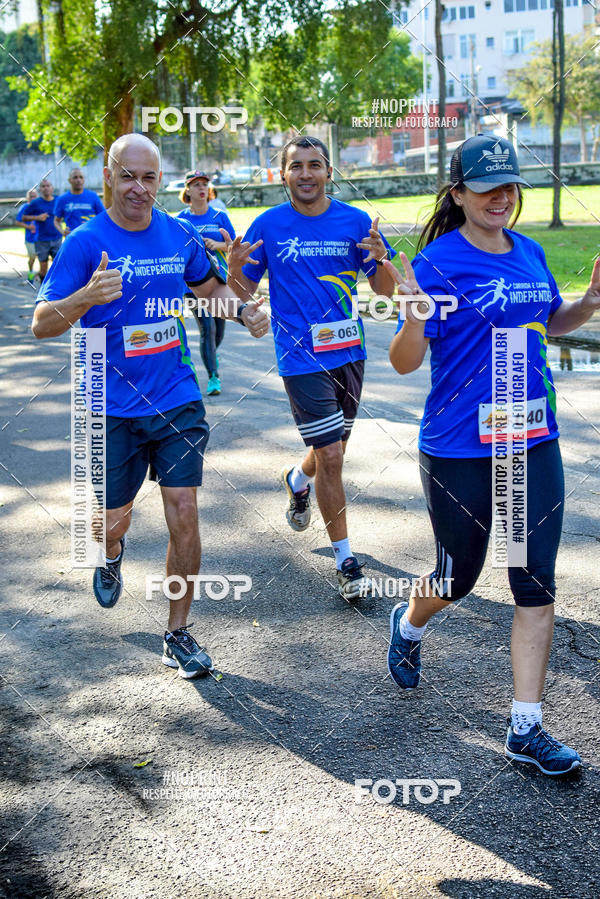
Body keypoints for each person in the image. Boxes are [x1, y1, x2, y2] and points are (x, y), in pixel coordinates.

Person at [386, 133, 600, 775]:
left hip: (533, 437)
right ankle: (409, 621)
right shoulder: (438, 263)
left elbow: (547, 318)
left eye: (509, 187)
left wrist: (586, 305)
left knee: (534, 582)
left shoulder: (530, 251)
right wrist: (415, 318)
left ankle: (525, 727)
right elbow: (404, 362)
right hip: (459, 447)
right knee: (460, 576)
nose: (501, 198)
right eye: (486, 188)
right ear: (458, 194)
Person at [31, 133, 269, 679]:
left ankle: (177, 633)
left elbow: (210, 291)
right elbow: (43, 323)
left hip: (175, 397)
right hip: (111, 405)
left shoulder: (178, 232)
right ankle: (111, 550)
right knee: (112, 521)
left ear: (161, 181)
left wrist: (243, 312)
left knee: (183, 509)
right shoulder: (85, 243)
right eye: (128, 176)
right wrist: (84, 298)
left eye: (149, 177)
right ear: (108, 176)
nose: (139, 188)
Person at [226, 135, 396, 599]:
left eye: (314, 165)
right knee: (335, 458)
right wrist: (234, 270)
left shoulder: (356, 221)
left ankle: (296, 480)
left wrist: (380, 258)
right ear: (283, 174)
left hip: (350, 353)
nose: (305, 173)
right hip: (300, 358)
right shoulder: (268, 225)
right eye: (296, 165)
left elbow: (384, 291)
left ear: (328, 172)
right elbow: (242, 291)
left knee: (329, 451)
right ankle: (347, 563)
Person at [177, 171, 235, 396]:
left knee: (218, 331)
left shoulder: (219, 216)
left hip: (219, 283)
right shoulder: (181, 220)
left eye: (204, 184)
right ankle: (213, 377)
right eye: (196, 185)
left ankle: (211, 355)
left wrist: (217, 244)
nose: (201, 188)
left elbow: (232, 245)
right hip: (192, 285)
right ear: (188, 190)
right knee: (207, 329)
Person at [21, 178, 62, 281]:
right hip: (41, 239)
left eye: (48, 185)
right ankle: (43, 290)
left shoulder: (58, 200)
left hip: (57, 238)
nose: (46, 188)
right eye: (43, 186)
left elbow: (65, 213)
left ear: (52, 188)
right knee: (43, 268)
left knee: (58, 266)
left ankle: (56, 289)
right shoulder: (35, 203)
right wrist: (37, 217)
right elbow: (24, 217)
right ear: (40, 189)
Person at [54, 167, 104, 235]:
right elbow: (56, 221)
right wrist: (62, 232)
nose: (78, 180)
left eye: (81, 177)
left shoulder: (93, 196)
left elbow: (103, 217)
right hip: (73, 238)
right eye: (75, 177)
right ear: (69, 180)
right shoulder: (62, 199)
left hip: (91, 237)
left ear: (84, 180)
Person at [15, 188, 39, 283]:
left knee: (43, 258)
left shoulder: (40, 206)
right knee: (32, 257)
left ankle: (42, 276)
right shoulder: (24, 208)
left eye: (34, 196)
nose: (33, 198)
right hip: (30, 238)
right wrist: (29, 227)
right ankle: (30, 274)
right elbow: (18, 222)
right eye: (31, 196)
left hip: (42, 238)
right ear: (27, 198)